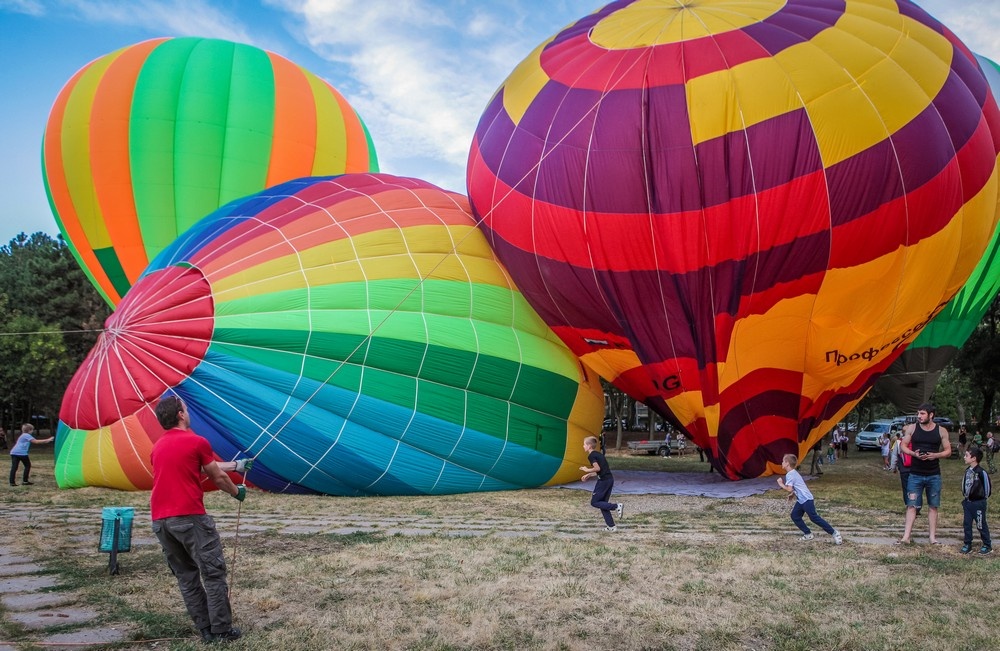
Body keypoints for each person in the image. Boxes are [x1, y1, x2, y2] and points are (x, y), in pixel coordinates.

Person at [150, 396, 251, 644]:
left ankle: (205, 630)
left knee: (187, 577)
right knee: (213, 574)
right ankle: (221, 630)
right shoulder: (197, 441)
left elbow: (199, 464)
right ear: (181, 415)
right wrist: (237, 492)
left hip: (161, 522)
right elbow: (216, 476)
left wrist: (236, 465)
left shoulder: (158, 446)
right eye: (185, 407)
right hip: (189, 518)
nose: (187, 410)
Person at [898, 403, 951, 545]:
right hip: (915, 474)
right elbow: (903, 445)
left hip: (934, 474)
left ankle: (932, 538)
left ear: (931, 415)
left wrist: (935, 455)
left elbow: (948, 451)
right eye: (918, 413)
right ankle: (906, 537)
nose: (919, 416)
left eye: (922, 413)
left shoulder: (941, 431)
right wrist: (912, 453)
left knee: (933, 506)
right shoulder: (912, 428)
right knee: (911, 505)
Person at [776, 453, 842, 544]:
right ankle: (808, 534)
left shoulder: (790, 474)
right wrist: (793, 493)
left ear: (787, 463)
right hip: (801, 500)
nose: (782, 463)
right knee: (795, 516)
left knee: (814, 518)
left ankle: (834, 533)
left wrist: (780, 484)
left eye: (783, 461)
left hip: (807, 499)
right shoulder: (793, 473)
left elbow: (789, 488)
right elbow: (799, 486)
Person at [579, 435, 623, 532]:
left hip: (603, 481)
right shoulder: (598, 454)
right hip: (609, 479)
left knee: (594, 502)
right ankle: (611, 526)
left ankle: (616, 506)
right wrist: (590, 475)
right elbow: (601, 470)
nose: (583, 446)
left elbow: (597, 468)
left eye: (584, 444)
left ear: (589, 446)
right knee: (603, 504)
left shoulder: (591, 456)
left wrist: (587, 470)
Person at [959, 446, 992, 555]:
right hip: (968, 503)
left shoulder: (981, 472)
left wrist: (982, 499)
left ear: (974, 458)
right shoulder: (967, 471)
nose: (964, 457)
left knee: (980, 524)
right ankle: (967, 543)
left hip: (978, 503)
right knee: (967, 524)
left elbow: (987, 488)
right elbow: (964, 484)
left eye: (967, 455)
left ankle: (987, 545)